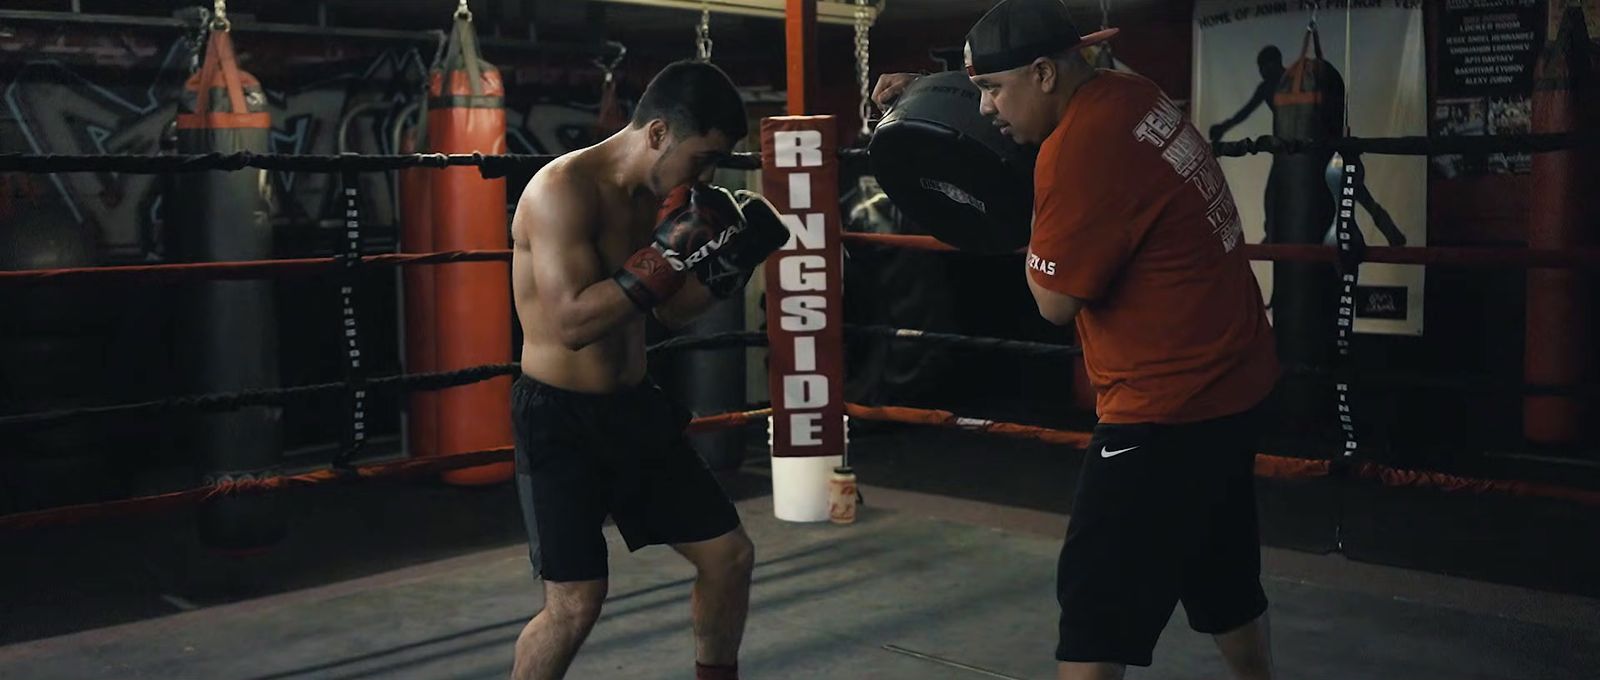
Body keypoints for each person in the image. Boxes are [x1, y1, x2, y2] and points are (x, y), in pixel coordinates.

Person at [872, 1, 1281, 679]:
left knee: (1093, 614)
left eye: (992, 92)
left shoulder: (1079, 151)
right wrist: (926, 92)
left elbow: (1053, 302)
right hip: (1233, 388)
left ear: (1042, 73)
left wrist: (1028, 207)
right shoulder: (1133, 93)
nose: (984, 112)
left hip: (1162, 410)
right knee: (1222, 577)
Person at [507, 59, 789, 680]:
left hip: (635, 410)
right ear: (658, 133)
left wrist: (731, 262)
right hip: (560, 421)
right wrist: (667, 251)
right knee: (574, 605)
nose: (705, 176)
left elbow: (669, 314)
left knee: (729, 557)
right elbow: (574, 325)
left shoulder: (648, 198)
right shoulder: (561, 192)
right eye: (702, 157)